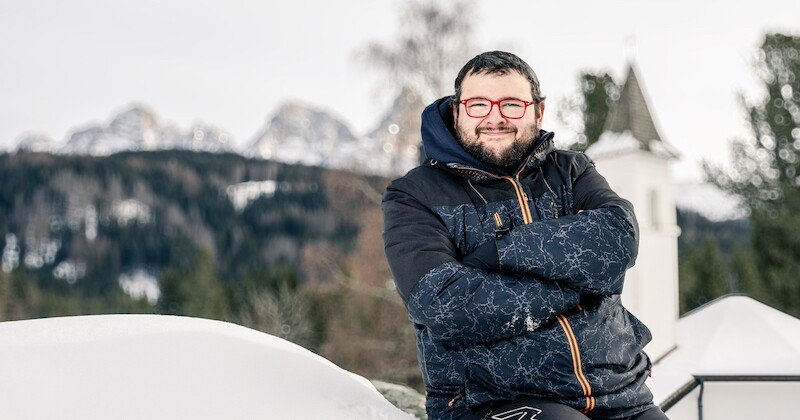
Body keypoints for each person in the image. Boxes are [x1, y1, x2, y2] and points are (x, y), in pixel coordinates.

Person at [382, 51, 668, 420]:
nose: (495, 117)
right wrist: (578, 285)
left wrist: (500, 254)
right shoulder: (416, 195)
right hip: (491, 402)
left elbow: (618, 238)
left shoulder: (571, 171)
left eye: (512, 104)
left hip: (619, 396)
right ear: (457, 113)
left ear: (538, 112)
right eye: (478, 104)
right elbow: (445, 305)